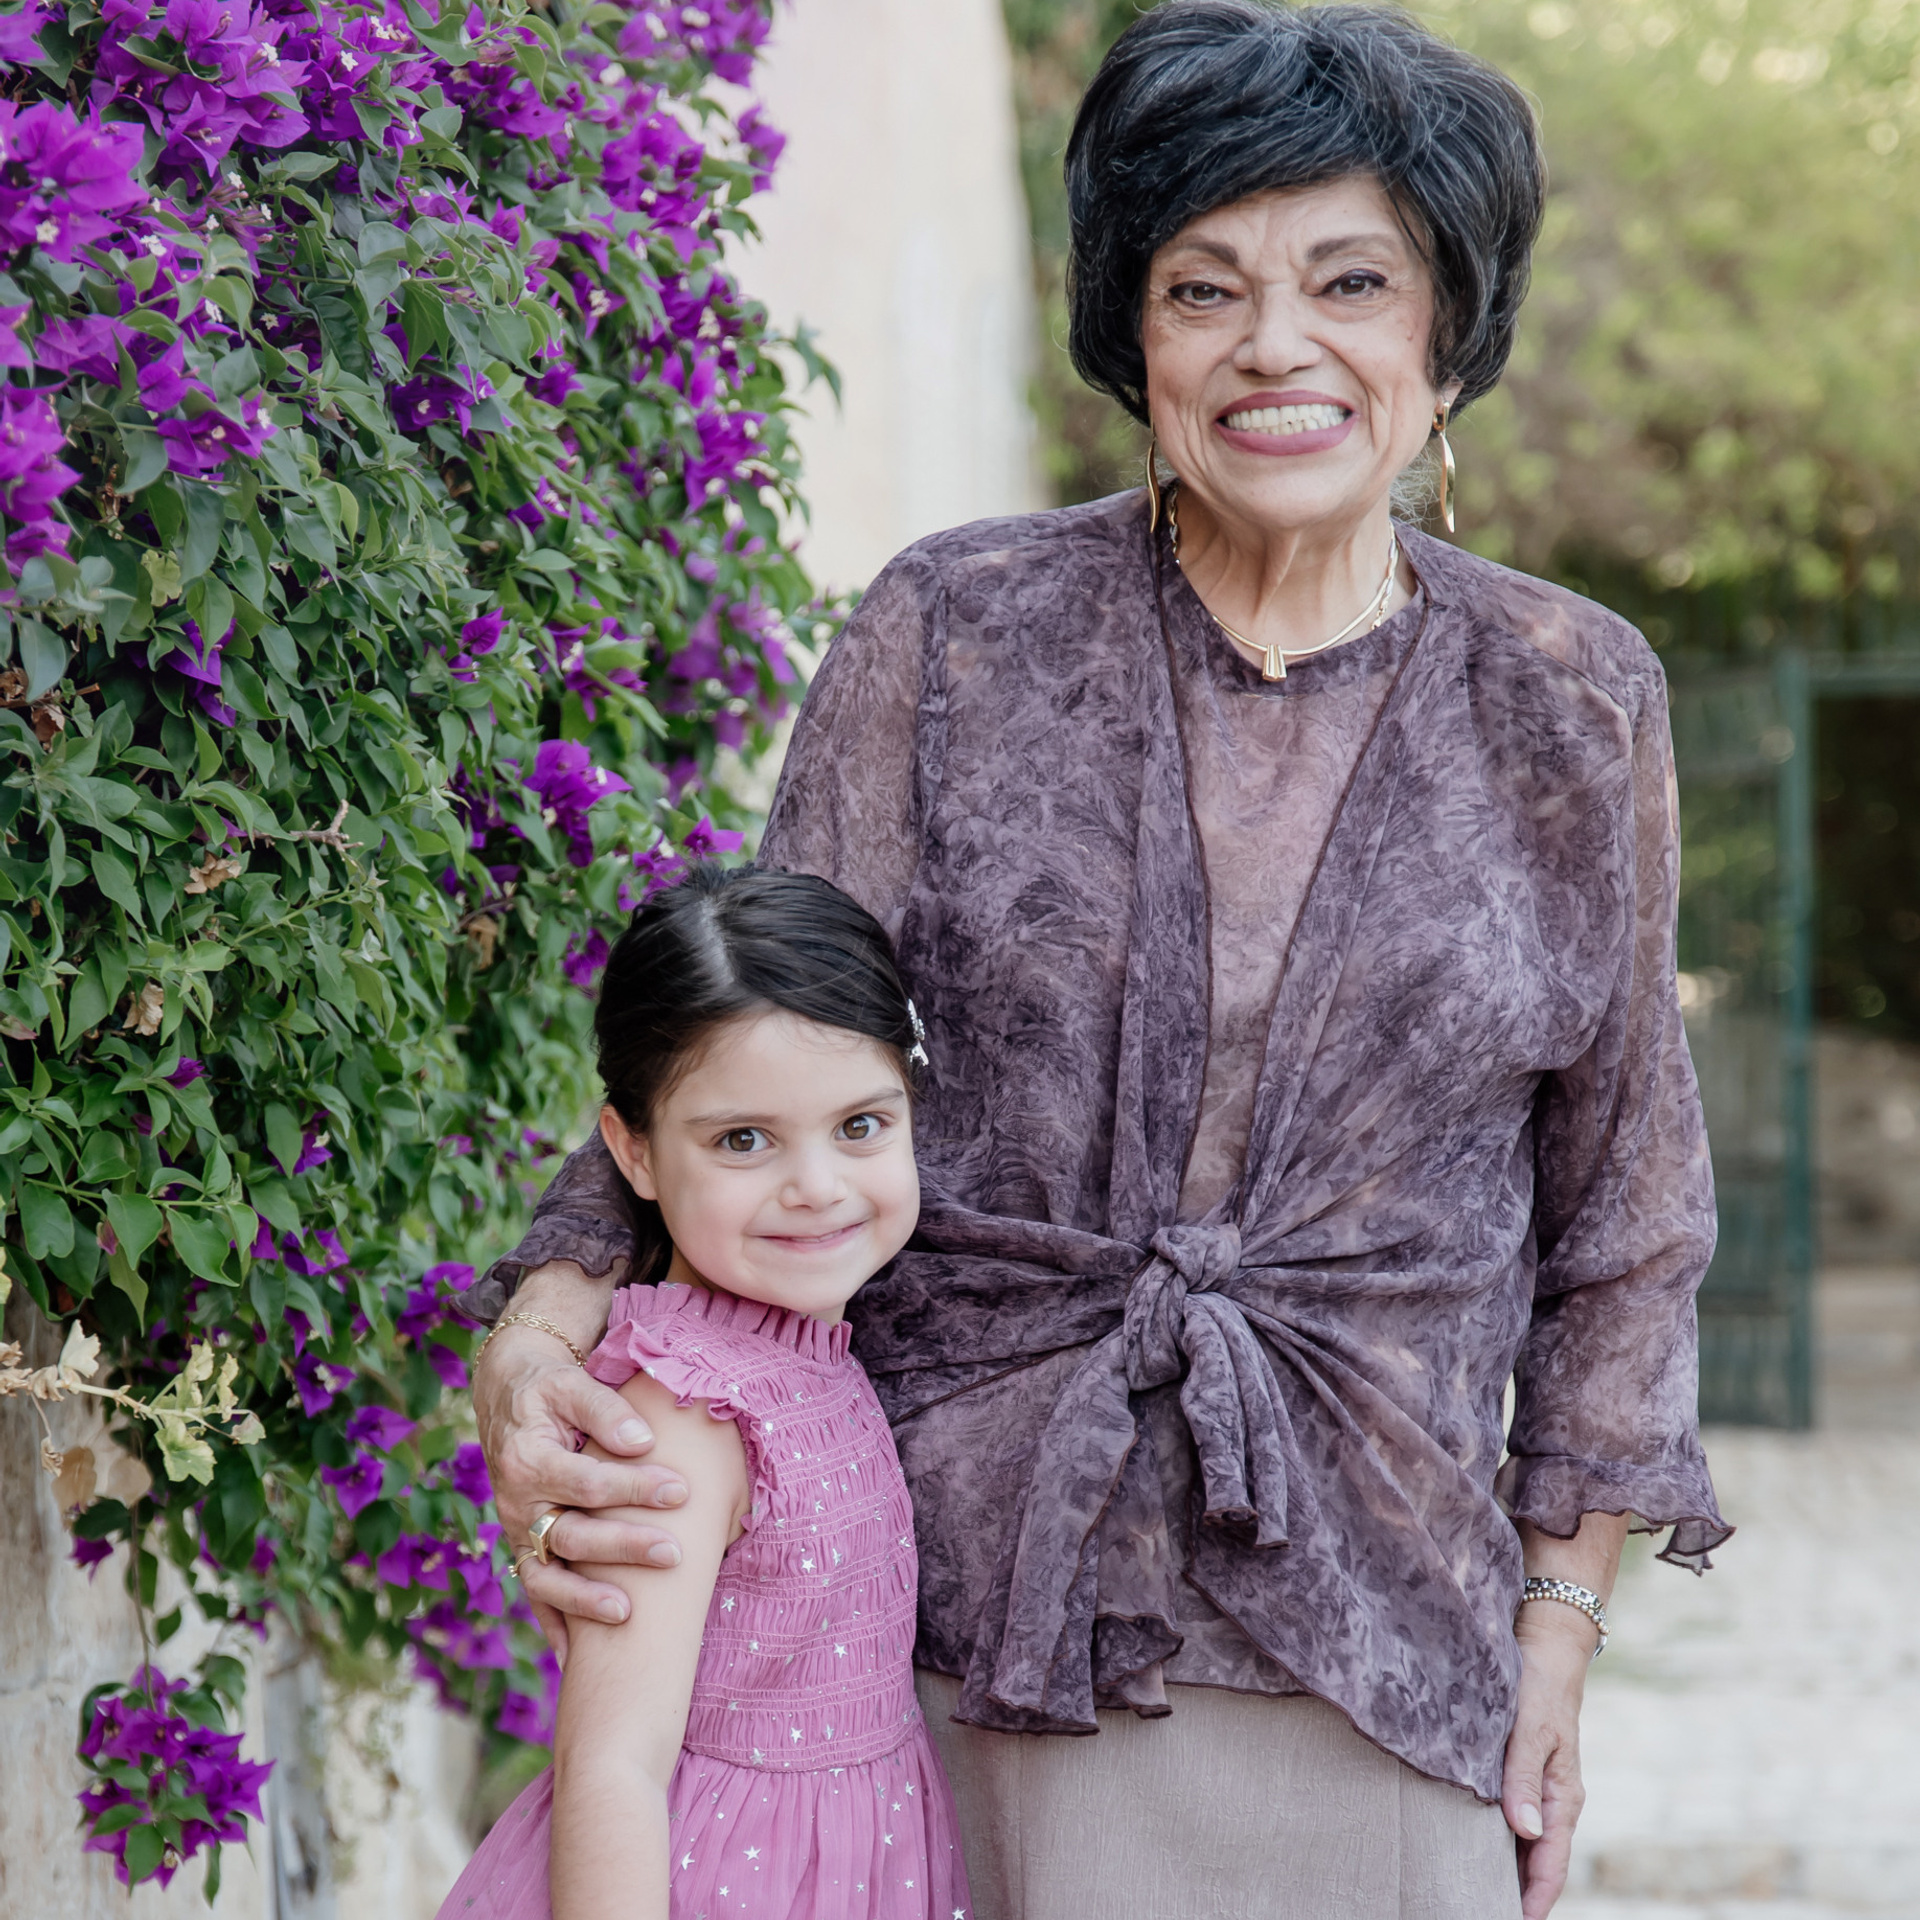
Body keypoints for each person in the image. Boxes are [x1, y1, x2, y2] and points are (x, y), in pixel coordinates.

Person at [461, 5, 1733, 1917]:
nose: (1273, 345)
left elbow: (1624, 1212)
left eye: (1350, 280)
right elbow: (754, 1044)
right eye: (1201, 285)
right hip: (958, 1620)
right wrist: (548, 1311)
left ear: (1445, 329)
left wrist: (1558, 1633)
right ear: (1131, 335)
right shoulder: (959, 627)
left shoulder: (1567, 696)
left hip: (1378, 1632)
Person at [438, 867, 970, 1920]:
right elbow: (613, 1768)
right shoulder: (684, 1412)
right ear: (631, 1149)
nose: (815, 1186)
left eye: (860, 1126)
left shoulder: (808, 1352)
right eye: (742, 1140)